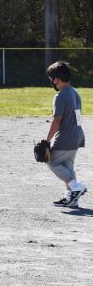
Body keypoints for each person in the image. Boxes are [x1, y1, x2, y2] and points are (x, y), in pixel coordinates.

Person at [45, 61, 86, 208]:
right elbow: (79, 117)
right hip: (76, 136)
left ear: (57, 78)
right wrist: (77, 135)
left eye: (51, 77)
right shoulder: (75, 93)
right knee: (68, 168)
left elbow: (57, 120)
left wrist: (47, 140)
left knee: (52, 162)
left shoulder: (60, 96)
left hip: (64, 138)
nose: (51, 81)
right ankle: (71, 198)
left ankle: (76, 187)